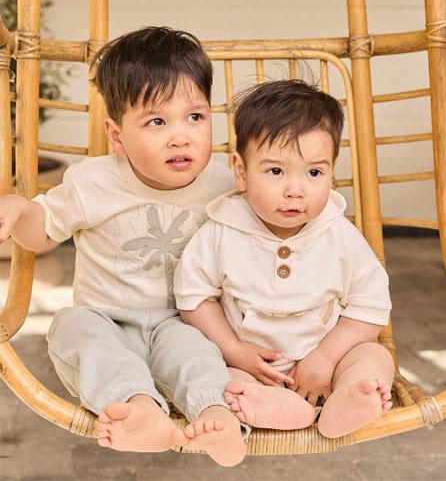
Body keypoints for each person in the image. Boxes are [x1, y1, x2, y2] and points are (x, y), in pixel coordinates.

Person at [0, 26, 248, 466]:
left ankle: (219, 418)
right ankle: (140, 409)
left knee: (200, 356)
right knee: (72, 329)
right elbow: (43, 232)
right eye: (157, 122)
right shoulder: (94, 181)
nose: (180, 136)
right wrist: (20, 211)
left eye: (195, 117)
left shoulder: (226, 186)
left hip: (184, 322)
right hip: (106, 318)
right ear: (117, 136)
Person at [174, 79, 395, 437]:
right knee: (212, 373)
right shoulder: (222, 231)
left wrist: (325, 358)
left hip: (328, 362)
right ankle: (274, 405)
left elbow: (369, 307)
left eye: (314, 172)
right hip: (251, 366)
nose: (296, 190)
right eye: (276, 171)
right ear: (241, 171)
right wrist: (233, 349)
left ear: (332, 171)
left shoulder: (339, 235)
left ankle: (349, 400)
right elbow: (194, 298)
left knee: (375, 357)